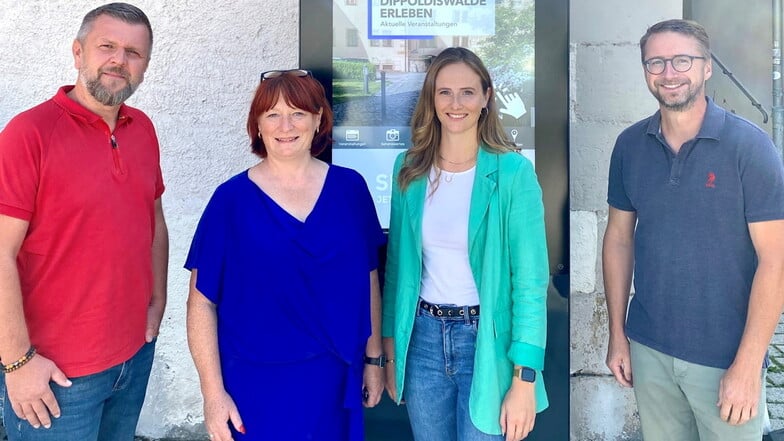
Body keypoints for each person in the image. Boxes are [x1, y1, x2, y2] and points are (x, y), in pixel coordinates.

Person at [603, 19, 784, 441]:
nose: (669, 73)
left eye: (682, 60)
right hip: (649, 348)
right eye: (657, 62)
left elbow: (775, 259)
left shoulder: (749, 147)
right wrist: (618, 335)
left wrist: (748, 364)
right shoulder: (630, 145)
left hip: (724, 356)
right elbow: (618, 239)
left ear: (706, 68)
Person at [185, 69, 386, 441]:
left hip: (335, 375)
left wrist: (374, 360)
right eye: (272, 114)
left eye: (297, 113)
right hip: (255, 382)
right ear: (257, 125)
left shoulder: (350, 189)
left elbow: (368, 278)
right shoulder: (230, 201)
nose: (285, 125)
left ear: (318, 120)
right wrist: (212, 394)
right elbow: (201, 303)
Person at [0, 3, 168, 440]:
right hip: (56, 375)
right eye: (107, 46)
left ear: (145, 66)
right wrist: (17, 361)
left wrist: (157, 300)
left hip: (132, 359)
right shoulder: (29, 134)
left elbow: (154, 219)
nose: (119, 60)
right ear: (78, 52)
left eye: (134, 52)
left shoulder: (143, 129)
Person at [382, 47, 550, 441]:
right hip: (421, 341)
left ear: (486, 97)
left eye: (467, 92)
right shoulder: (408, 169)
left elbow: (529, 282)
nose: (455, 104)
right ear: (431, 98)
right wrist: (392, 352)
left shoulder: (513, 172)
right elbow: (396, 269)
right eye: (444, 92)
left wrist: (524, 378)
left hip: (487, 344)